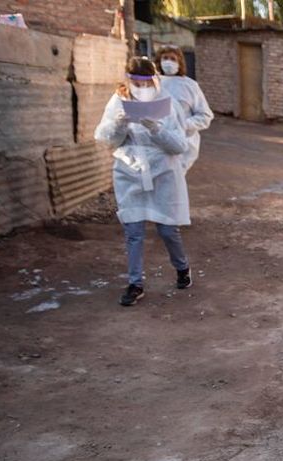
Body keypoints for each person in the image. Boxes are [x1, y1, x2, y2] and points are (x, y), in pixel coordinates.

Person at [94, 56, 191, 307]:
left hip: (163, 174)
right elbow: (106, 140)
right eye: (137, 82)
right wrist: (119, 125)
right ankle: (135, 284)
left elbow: (180, 145)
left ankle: (182, 268)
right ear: (128, 80)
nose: (142, 87)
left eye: (147, 82)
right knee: (133, 232)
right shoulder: (118, 101)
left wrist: (156, 129)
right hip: (130, 173)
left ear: (154, 80)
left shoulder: (167, 104)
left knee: (167, 229)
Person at [155, 45, 213, 171]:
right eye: (165, 58)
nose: (168, 62)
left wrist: (183, 124)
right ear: (159, 61)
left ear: (180, 62)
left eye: (173, 59)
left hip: (183, 145)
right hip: (156, 144)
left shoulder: (190, 86)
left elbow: (205, 116)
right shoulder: (152, 84)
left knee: (173, 184)